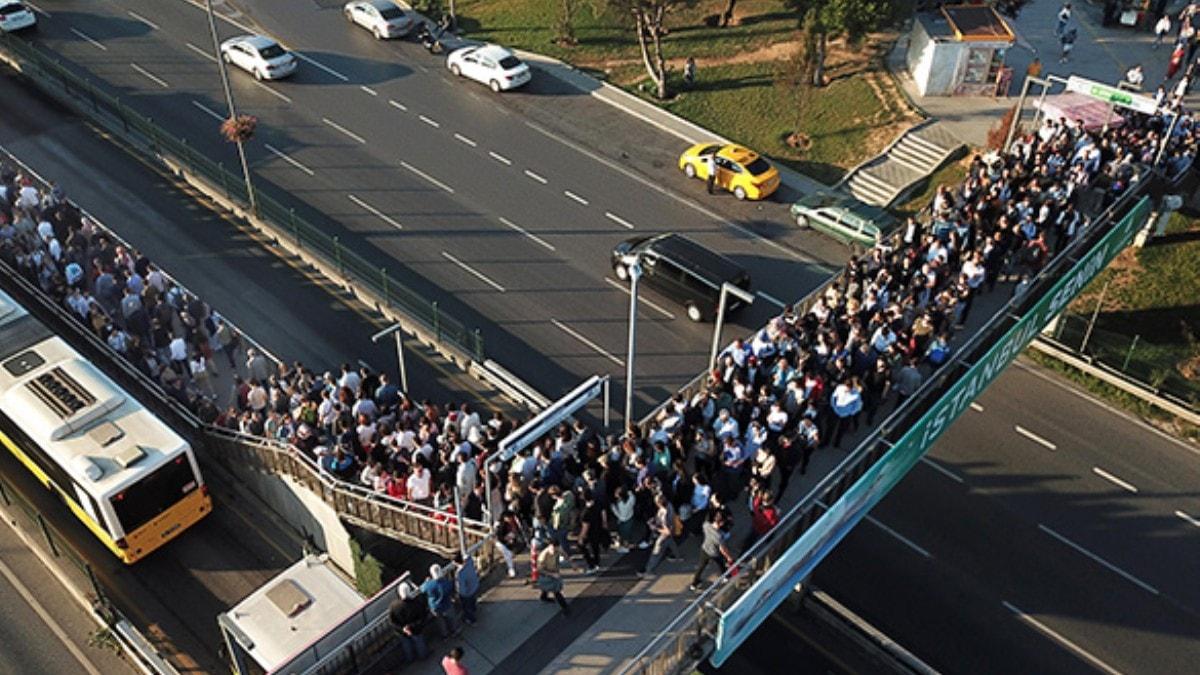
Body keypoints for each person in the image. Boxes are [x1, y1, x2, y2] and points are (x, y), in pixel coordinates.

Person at [689, 509, 734, 592]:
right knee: (721, 564)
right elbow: (722, 549)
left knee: (701, 567)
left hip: (705, 549)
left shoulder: (706, 525)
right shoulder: (719, 536)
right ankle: (725, 576)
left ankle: (694, 583)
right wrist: (729, 557)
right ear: (721, 523)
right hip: (714, 553)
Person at [637, 493, 680, 576]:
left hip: (663, 535)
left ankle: (648, 570)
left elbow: (667, 531)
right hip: (670, 530)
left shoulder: (665, 515)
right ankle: (677, 555)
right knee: (671, 542)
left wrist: (655, 528)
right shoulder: (669, 505)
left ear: (659, 503)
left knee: (656, 552)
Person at [388, 583, 430, 663]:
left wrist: (403, 629)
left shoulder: (394, 606)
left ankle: (410, 659)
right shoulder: (416, 603)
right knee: (419, 643)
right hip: (416, 629)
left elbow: (392, 621)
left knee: (406, 646)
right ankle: (423, 656)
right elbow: (422, 616)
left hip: (402, 632)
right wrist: (411, 626)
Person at [420, 564, 460, 638]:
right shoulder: (447, 583)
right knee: (452, 618)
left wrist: (427, 581)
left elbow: (422, 589)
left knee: (440, 622)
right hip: (447, 604)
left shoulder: (429, 585)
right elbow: (452, 590)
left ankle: (445, 635)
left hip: (435, 607)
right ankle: (455, 630)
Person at [535, 539, 570, 614]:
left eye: (556, 548)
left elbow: (564, 555)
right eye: (553, 548)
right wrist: (552, 574)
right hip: (546, 574)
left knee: (549, 588)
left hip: (554, 572)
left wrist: (572, 564)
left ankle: (543, 597)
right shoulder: (543, 556)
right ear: (549, 546)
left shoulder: (558, 549)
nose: (554, 551)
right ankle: (565, 607)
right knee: (556, 591)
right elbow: (540, 569)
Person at [453, 553, 480, 625]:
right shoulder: (469, 561)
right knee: (473, 600)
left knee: (467, 607)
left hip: (467, 592)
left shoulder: (459, 573)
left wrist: (460, 594)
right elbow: (468, 556)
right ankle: (474, 609)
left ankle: (471, 620)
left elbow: (462, 587)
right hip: (474, 585)